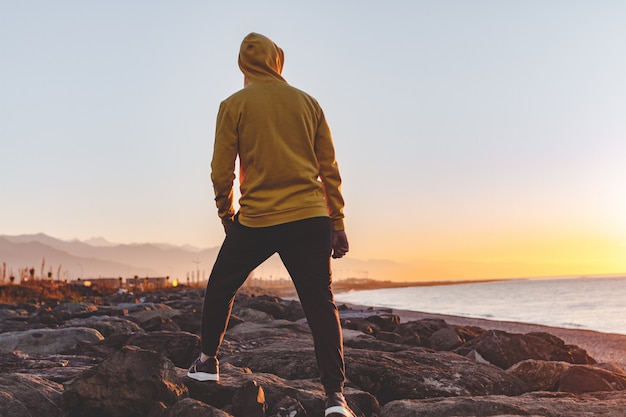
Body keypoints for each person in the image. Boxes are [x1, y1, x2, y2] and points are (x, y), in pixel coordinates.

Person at [186, 33, 355, 417]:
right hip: (310, 217)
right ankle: (335, 399)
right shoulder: (307, 102)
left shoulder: (233, 105)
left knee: (220, 287)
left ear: (244, 65)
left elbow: (220, 170)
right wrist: (337, 221)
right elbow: (328, 168)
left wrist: (226, 215)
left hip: (257, 219)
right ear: (277, 61)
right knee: (320, 305)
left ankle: (207, 363)